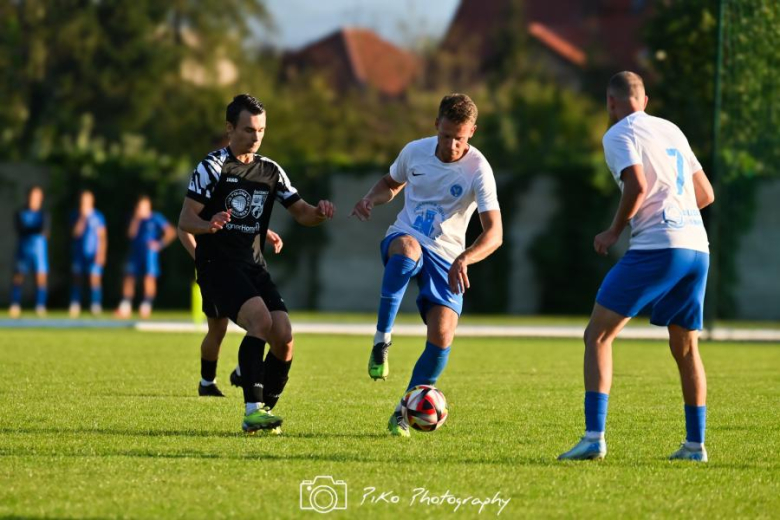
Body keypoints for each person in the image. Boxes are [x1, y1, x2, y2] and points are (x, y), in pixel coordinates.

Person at [558, 71, 715, 462]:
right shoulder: (671, 130)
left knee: (597, 336)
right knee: (686, 348)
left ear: (610, 103)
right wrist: (676, 215)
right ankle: (695, 446)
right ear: (645, 100)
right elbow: (705, 194)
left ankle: (594, 438)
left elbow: (637, 185)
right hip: (697, 248)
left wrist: (613, 232)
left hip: (658, 248)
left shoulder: (617, 133)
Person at [178, 93, 335, 434]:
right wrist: (209, 225)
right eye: (249, 129)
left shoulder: (270, 171)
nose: (256, 136)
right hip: (217, 264)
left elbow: (302, 212)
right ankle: (251, 410)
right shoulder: (212, 167)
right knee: (260, 323)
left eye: (261, 129)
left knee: (284, 337)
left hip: (252, 265)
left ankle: (265, 409)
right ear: (230, 128)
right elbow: (185, 221)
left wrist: (319, 214)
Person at [350, 93, 503, 437]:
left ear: (472, 132)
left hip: (449, 256)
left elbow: (495, 234)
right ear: (436, 125)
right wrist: (369, 199)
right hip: (406, 236)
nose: (451, 145)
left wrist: (466, 257)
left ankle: (402, 413)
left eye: (459, 138)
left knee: (442, 335)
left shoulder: (479, 168)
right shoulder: (414, 151)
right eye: (446, 135)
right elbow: (391, 184)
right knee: (406, 249)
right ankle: (381, 340)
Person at [178, 227, 284, 397]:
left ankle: (244, 371)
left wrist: (264, 230)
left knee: (268, 323)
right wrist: (200, 258)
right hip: (217, 269)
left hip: (250, 267)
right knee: (218, 328)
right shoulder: (203, 201)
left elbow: (246, 214)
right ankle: (208, 382)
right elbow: (184, 227)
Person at [116, 195, 176, 319]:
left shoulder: (156, 218)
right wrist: (136, 220)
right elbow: (130, 235)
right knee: (129, 277)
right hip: (135, 252)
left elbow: (171, 231)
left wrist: (159, 244)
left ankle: (146, 305)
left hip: (149, 254)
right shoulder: (135, 219)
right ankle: (125, 305)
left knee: (149, 278)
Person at [9, 186, 49, 318]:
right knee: (18, 276)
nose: (35, 199)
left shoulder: (44, 214)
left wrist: (33, 229)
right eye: (33, 196)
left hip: (39, 249)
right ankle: (15, 304)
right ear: (28, 197)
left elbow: (45, 230)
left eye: (38, 196)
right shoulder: (20, 212)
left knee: (41, 277)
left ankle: (40, 305)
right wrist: (35, 230)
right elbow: (20, 229)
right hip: (24, 248)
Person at [69, 190, 108, 317]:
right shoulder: (76, 215)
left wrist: (101, 253)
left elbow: (102, 236)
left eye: (87, 199)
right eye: (83, 200)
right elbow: (75, 233)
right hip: (79, 252)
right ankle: (75, 303)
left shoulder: (98, 216)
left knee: (94, 278)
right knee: (77, 278)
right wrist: (82, 218)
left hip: (93, 252)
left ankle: (95, 304)